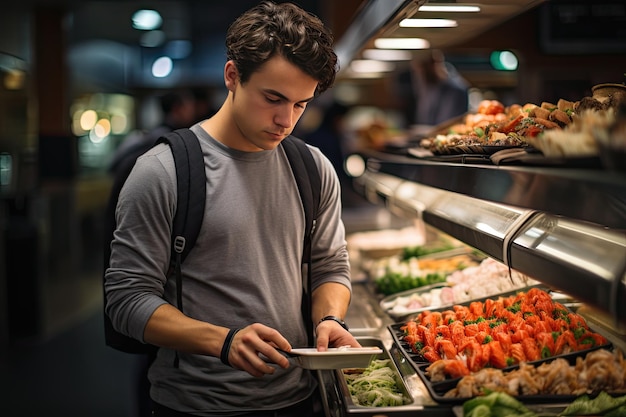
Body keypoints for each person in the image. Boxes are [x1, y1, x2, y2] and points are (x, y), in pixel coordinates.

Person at [104, 2, 358, 417]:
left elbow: (330, 265)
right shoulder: (162, 172)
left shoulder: (313, 168)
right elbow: (126, 300)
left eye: (300, 104)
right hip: (194, 404)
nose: (285, 120)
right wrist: (223, 341)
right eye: (273, 98)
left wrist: (330, 320)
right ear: (232, 76)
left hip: (299, 397)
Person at [397, 49, 469, 129]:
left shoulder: (455, 89)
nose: (418, 76)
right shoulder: (429, 87)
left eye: (421, 71)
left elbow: (444, 123)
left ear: (433, 65)